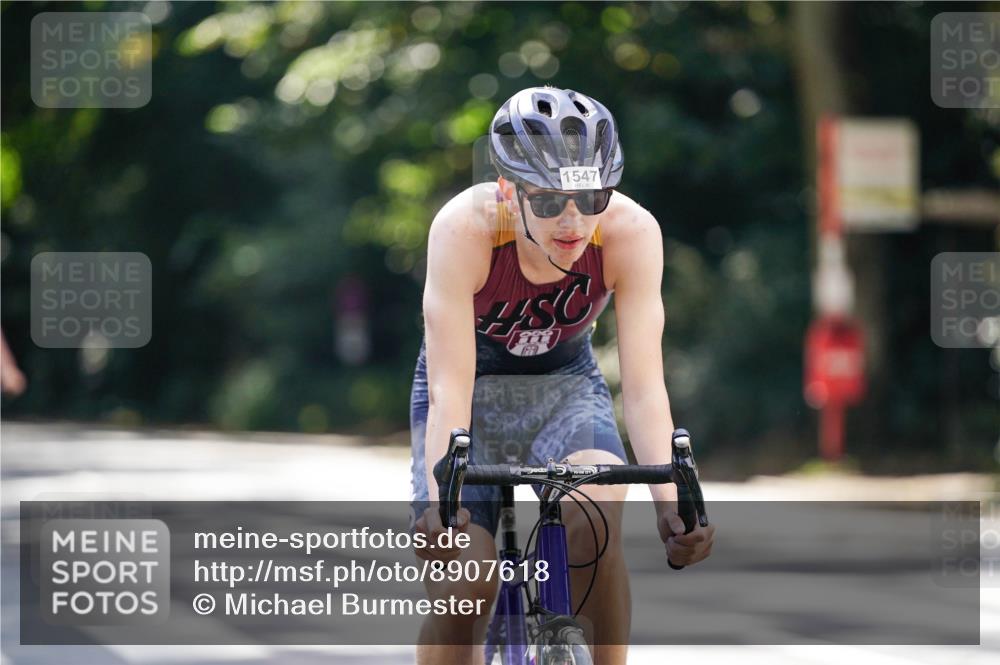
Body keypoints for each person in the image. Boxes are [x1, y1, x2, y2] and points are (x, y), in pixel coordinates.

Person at [409, 86, 714, 665]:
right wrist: (439, 501)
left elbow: (646, 389)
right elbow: (451, 387)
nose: (573, 221)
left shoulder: (630, 233)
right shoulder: (464, 231)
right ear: (508, 191)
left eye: (592, 196)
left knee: (599, 504)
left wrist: (672, 506)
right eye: (548, 202)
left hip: (564, 388)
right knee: (466, 581)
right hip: (469, 395)